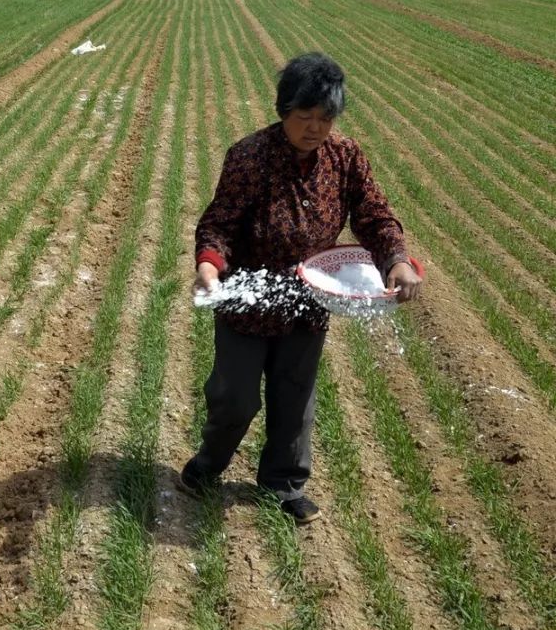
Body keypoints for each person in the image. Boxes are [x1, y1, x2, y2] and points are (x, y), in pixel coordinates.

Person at [178, 52, 422, 523]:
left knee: (295, 396)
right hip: (249, 299)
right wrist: (210, 266)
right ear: (283, 110)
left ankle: (284, 485)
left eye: (325, 118)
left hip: (310, 299)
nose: (315, 128)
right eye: (304, 116)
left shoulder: (345, 157)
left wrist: (396, 259)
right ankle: (208, 465)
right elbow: (220, 224)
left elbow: (374, 215)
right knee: (236, 396)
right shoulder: (249, 157)